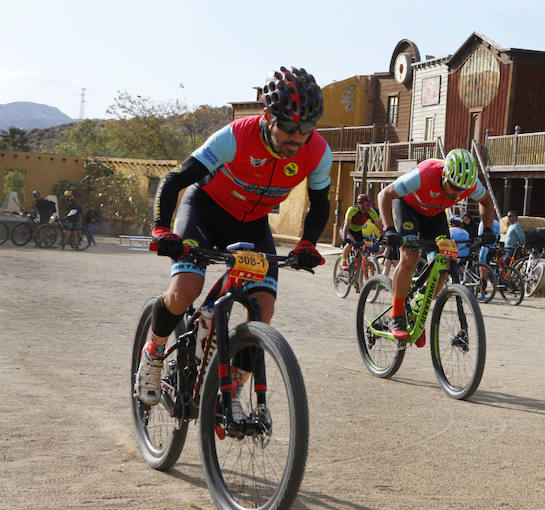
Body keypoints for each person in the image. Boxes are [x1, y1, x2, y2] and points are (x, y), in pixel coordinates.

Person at [135, 66, 331, 407]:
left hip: (251, 224)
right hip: (204, 212)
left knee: (263, 309)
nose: (297, 138)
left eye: (307, 128)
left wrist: (308, 244)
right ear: (268, 116)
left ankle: (230, 395)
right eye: (288, 126)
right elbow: (174, 180)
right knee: (185, 290)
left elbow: (320, 203)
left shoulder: (317, 152)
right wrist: (161, 228)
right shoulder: (235, 137)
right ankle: (153, 352)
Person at [376, 148, 495, 340]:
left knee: (444, 266)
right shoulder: (424, 174)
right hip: (408, 208)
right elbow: (385, 195)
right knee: (409, 256)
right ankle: (396, 315)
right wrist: (389, 230)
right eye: (455, 188)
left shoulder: (469, 183)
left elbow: (486, 201)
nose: (458, 195)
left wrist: (488, 229)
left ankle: (416, 312)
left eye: (462, 191)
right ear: (444, 176)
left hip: (435, 215)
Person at [339, 193, 383, 270]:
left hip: (358, 232)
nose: (370, 206)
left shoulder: (371, 212)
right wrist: (345, 237)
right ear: (361, 204)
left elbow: (378, 224)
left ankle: (356, 280)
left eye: (370, 204)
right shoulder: (352, 210)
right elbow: (347, 223)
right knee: (350, 243)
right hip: (347, 230)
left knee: (359, 256)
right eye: (368, 204)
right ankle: (343, 261)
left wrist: (383, 235)